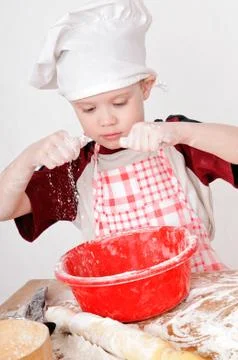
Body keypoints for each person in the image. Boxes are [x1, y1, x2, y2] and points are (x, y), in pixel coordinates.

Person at [0, 0, 238, 273]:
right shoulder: (76, 168)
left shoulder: (178, 144)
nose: (106, 120)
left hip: (200, 297)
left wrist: (181, 132)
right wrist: (28, 159)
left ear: (145, 87)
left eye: (120, 102)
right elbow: (3, 208)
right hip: (125, 308)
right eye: (88, 109)